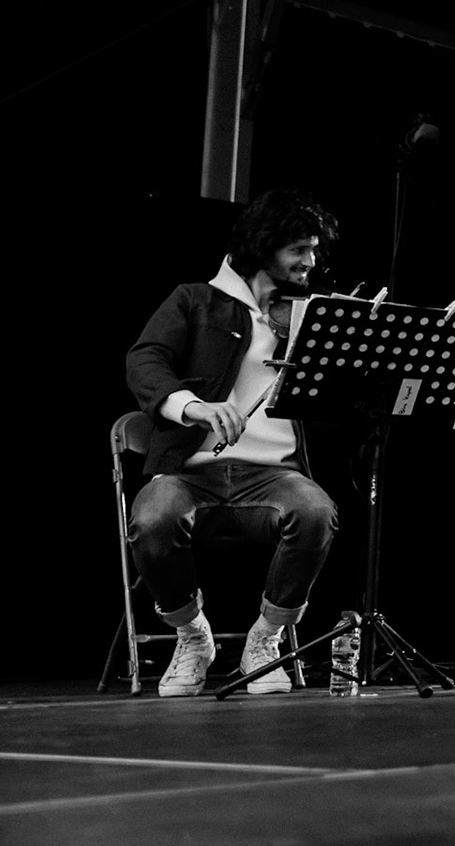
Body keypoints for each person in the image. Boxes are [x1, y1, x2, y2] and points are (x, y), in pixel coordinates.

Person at [123, 189, 342, 697]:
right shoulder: (195, 300)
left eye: (314, 250)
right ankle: (192, 634)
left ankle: (265, 638)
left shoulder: (310, 317)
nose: (310, 262)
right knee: (153, 518)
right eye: (298, 250)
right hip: (188, 471)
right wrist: (193, 406)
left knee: (314, 512)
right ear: (264, 248)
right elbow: (145, 360)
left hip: (273, 475)